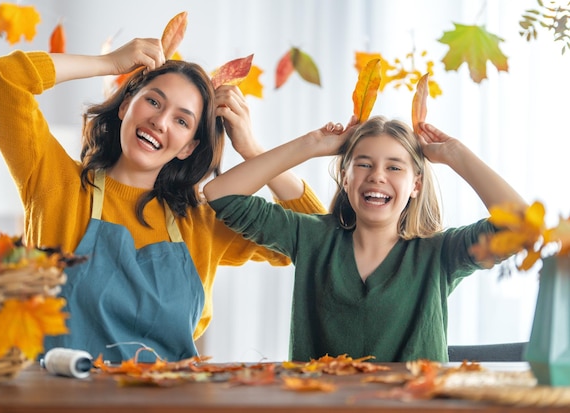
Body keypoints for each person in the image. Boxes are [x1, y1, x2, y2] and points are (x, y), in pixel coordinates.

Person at [0, 38, 326, 362]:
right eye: (153, 101)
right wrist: (110, 62)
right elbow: (6, 77)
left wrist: (253, 150)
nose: (159, 122)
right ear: (126, 105)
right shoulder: (55, 184)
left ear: (189, 147)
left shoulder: (202, 224)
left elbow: (316, 239)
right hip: (59, 402)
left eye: (181, 120)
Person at [203, 115, 526, 362]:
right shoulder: (311, 236)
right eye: (364, 164)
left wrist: (456, 154)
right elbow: (221, 194)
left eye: (395, 167)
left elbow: (520, 227)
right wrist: (312, 145)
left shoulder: (440, 253)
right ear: (345, 178)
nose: (377, 175)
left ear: (416, 185)